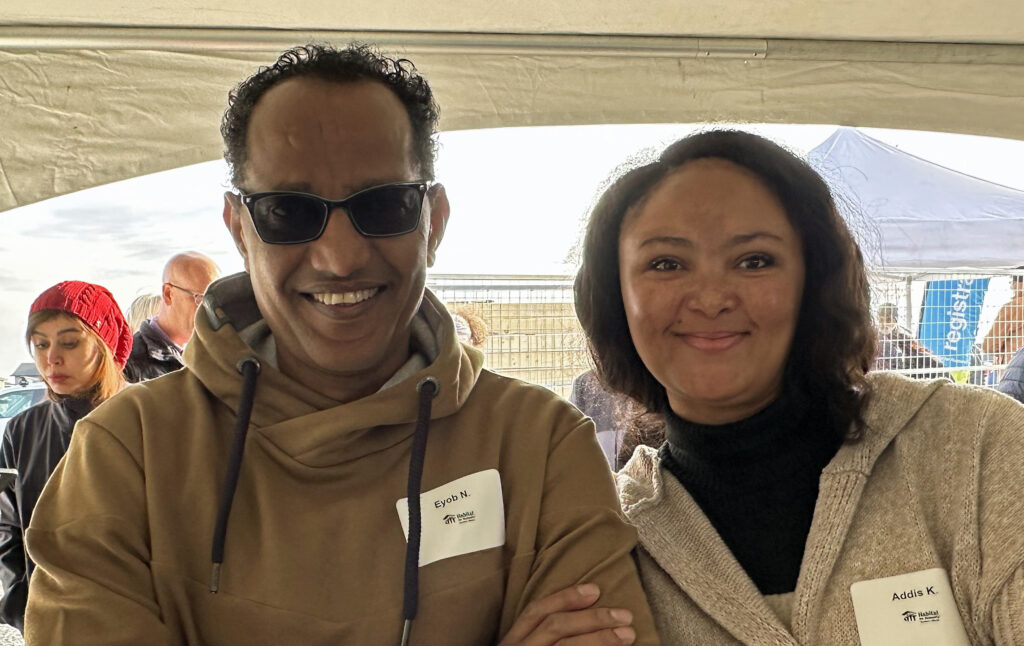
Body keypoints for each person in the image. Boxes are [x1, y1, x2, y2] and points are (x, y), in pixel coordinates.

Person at [24, 44, 656, 645]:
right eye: (288, 212)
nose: (340, 257)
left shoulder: (539, 445)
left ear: (432, 223)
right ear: (239, 229)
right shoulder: (126, 454)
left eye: (382, 206)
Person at [568, 130, 1024, 643]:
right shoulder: (608, 543)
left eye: (754, 261)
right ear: (616, 296)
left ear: (814, 281)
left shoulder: (978, 449)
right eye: (666, 264)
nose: (711, 298)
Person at [0, 281, 132, 632]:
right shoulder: (22, 430)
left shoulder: (147, 418)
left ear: (104, 344)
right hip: (50, 627)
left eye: (69, 342)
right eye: (40, 344)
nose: (51, 358)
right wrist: (22, 606)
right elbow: (7, 528)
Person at [123, 251, 220, 382]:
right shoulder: (129, 367)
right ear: (168, 294)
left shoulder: (214, 357)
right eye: (201, 299)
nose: (209, 310)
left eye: (214, 302)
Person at [981, 270, 1024, 368]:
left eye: (1011, 282)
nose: (1011, 287)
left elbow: (989, 346)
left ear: (1018, 284)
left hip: (1014, 367)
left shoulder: (1014, 307)